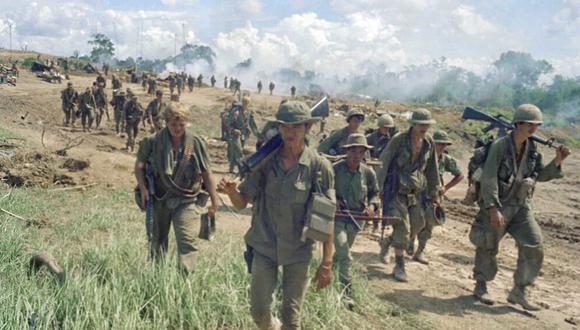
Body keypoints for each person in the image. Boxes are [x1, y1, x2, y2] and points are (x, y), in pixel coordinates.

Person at [218, 101, 335, 330]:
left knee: (292, 320)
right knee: (259, 311)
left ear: (308, 128)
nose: (289, 133)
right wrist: (232, 192)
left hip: (298, 250)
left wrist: (327, 261)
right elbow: (242, 203)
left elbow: (327, 217)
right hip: (265, 245)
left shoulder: (318, 167)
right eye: (284, 127)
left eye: (296, 127)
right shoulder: (264, 162)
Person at [470, 104, 570, 310]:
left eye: (536, 125)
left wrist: (558, 161)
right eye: (530, 124)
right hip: (499, 204)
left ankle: (519, 291)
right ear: (519, 123)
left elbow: (540, 175)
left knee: (534, 244)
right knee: (488, 244)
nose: (534, 128)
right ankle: (481, 285)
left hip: (520, 207)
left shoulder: (532, 149)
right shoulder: (500, 146)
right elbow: (488, 177)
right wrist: (492, 208)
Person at [135, 102, 219, 274]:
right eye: (173, 124)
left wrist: (214, 199)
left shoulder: (195, 142)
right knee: (157, 240)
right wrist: (143, 188)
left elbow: (206, 172)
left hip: (186, 200)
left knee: (187, 241)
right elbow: (139, 165)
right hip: (159, 199)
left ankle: (185, 282)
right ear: (166, 122)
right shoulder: (152, 141)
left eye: (182, 124)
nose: (178, 128)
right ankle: (157, 277)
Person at [377, 108, 440, 282]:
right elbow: (383, 162)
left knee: (417, 226)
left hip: (416, 193)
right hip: (396, 191)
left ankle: (388, 242)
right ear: (413, 124)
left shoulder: (428, 142)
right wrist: (377, 190)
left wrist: (435, 192)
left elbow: (432, 169)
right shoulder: (399, 140)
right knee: (402, 229)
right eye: (421, 124)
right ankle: (399, 265)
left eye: (427, 124)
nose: (424, 127)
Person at [333, 134, 379, 308]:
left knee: (340, 254)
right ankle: (346, 293)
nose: (356, 155)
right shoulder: (335, 169)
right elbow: (321, 186)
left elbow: (375, 193)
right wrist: (332, 198)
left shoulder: (368, 172)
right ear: (347, 150)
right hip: (337, 218)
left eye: (360, 152)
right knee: (345, 253)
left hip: (356, 220)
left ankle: (324, 275)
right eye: (353, 150)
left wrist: (372, 207)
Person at [408, 130, 465, 264]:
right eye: (439, 144)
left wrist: (446, 188)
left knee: (429, 224)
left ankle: (420, 251)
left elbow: (460, 175)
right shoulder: (423, 156)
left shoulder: (446, 160)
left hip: (434, 196)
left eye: (444, 145)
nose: (442, 147)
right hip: (419, 193)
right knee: (415, 220)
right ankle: (410, 241)